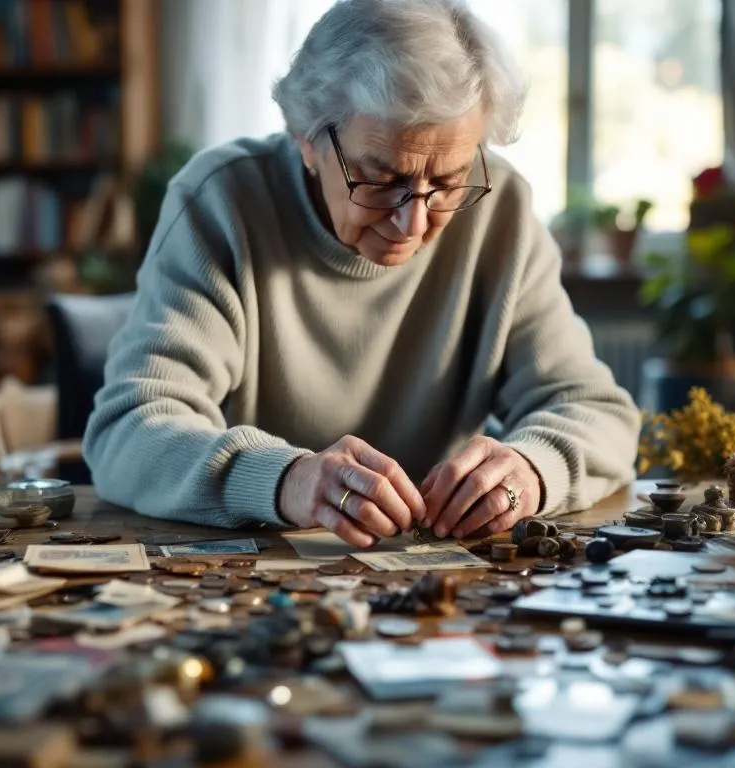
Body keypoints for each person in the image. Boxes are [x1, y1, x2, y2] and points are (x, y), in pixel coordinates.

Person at [83, 0, 639, 547]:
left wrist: (531, 470)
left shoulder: (502, 211)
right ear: (306, 138)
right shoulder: (221, 204)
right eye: (379, 177)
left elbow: (597, 411)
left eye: (446, 182)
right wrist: (287, 479)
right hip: (249, 581)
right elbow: (129, 431)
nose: (412, 222)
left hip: (438, 581)